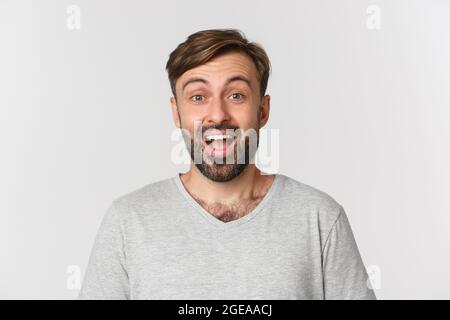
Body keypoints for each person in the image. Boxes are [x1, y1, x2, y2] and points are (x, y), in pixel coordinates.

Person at [78, 28, 376, 300]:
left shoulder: (320, 218)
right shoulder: (128, 222)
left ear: (262, 110)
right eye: (198, 96)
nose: (218, 115)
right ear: (176, 113)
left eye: (236, 95)